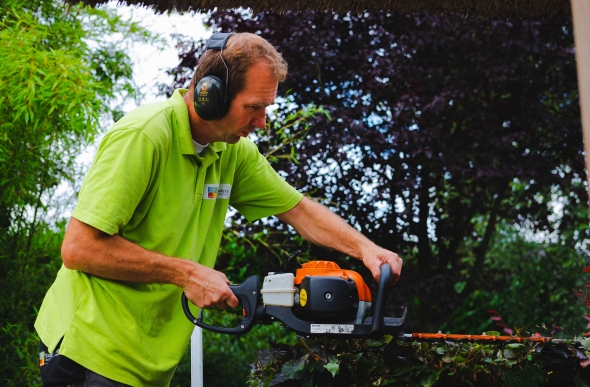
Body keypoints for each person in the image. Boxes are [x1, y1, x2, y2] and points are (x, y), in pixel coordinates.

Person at [35, 32, 403, 387]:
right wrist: (187, 273)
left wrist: (367, 250)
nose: (261, 123)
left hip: (144, 362)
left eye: (266, 108)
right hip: (88, 351)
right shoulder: (145, 136)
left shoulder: (232, 152)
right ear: (210, 95)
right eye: (253, 108)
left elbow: (299, 210)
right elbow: (79, 248)